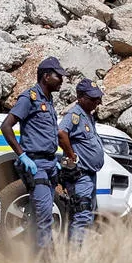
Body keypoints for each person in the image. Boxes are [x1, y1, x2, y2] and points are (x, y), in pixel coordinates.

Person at [1, 57, 66, 255]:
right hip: (35, 163)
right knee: (44, 215)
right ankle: (45, 261)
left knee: (41, 215)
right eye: (58, 76)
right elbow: (6, 126)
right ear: (46, 76)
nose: (62, 80)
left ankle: (35, 259)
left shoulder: (48, 100)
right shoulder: (29, 98)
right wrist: (22, 155)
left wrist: (55, 160)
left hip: (49, 162)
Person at [56, 79, 105, 246]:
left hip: (89, 175)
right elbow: (61, 133)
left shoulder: (88, 116)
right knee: (81, 214)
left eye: (98, 98)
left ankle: (77, 251)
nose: (96, 102)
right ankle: (73, 256)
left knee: (87, 215)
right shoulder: (74, 115)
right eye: (92, 99)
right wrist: (71, 154)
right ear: (81, 97)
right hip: (80, 175)